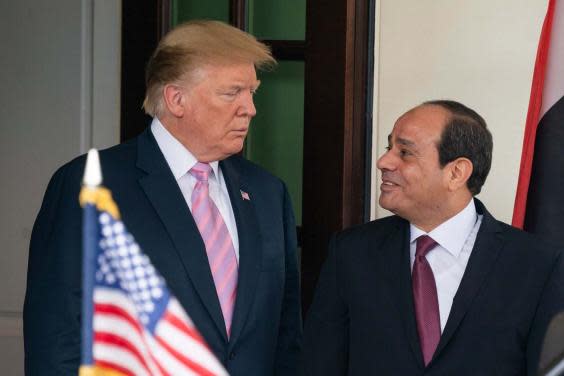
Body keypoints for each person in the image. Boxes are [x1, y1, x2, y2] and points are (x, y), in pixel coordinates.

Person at [24, 20, 302, 375]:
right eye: (232, 93)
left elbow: (286, 339)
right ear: (176, 99)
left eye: (252, 92)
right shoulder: (90, 185)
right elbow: (57, 335)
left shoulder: (267, 193)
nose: (250, 108)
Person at [301, 100, 564, 375]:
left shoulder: (538, 264)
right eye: (388, 148)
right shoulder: (351, 253)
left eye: (404, 152)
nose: (383, 162)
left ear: (456, 173)